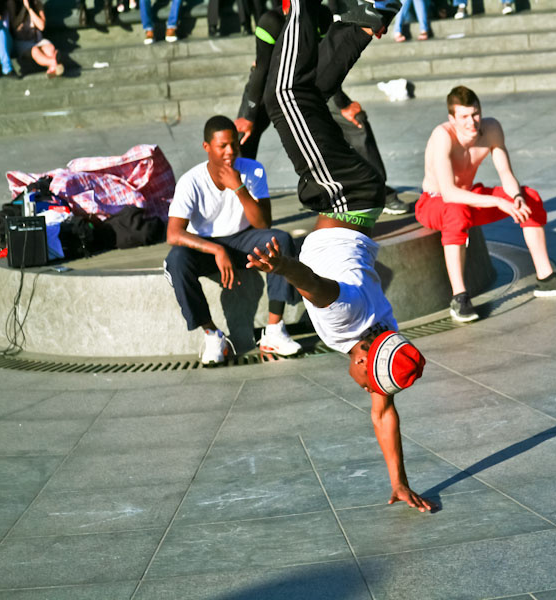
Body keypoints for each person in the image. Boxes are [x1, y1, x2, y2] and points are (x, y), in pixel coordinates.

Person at [251, 0, 435, 512]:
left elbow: (384, 415)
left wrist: (399, 481)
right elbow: (316, 287)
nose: (363, 390)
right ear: (363, 358)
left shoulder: (385, 330)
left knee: (302, 93)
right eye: (365, 382)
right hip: (344, 199)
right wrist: (280, 266)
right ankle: (323, 9)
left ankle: (354, 19)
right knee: (285, 94)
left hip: (353, 202)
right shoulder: (349, 323)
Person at [416, 85, 556, 323]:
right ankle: (459, 297)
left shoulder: (491, 129)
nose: (472, 122)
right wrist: (497, 201)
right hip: (435, 203)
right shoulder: (442, 136)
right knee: (456, 212)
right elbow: (449, 193)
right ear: (452, 118)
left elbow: (506, 173)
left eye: (475, 114)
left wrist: (515, 197)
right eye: (464, 116)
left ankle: (546, 278)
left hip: (470, 198)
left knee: (530, 199)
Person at [234, 3, 409, 215]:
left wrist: (343, 104)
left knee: (352, 120)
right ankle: (236, 196)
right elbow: (262, 68)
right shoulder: (270, 21)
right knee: (243, 135)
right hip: (262, 88)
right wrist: (249, 115)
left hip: (302, 84)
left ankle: (381, 191)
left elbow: (328, 58)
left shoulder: (320, 15)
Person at [164, 115, 302, 365]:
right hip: (207, 246)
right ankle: (212, 335)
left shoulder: (253, 169)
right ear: (207, 147)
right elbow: (174, 234)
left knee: (280, 240)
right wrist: (216, 249)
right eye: (222, 146)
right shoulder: (191, 181)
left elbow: (263, 224)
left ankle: (274, 330)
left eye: (234, 144)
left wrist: (238, 187)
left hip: (245, 240)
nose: (230, 151)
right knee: (176, 260)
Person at [5, 0, 64, 77]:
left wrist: (30, 9)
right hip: (22, 41)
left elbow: (41, 26)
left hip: (37, 39)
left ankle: (52, 68)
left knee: (50, 48)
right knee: (35, 50)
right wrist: (24, 9)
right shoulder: (12, 3)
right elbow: (13, 26)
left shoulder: (37, 3)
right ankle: (53, 62)